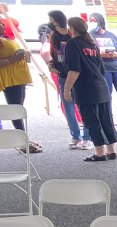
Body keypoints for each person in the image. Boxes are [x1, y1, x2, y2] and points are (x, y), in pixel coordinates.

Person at [64, 17, 117, 162]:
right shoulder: (92, 43)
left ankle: (100, 152)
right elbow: (101, 68)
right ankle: (111, 150)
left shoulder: (73, 44)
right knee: (106, 119)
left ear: (72, 28)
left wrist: (67, 89)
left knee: (92, 121)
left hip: (85, 88)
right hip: (101, 85)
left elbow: (74, 69)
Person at [46, 10, 91, 150]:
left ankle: (88, 137)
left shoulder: (73, 34)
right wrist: (51, 65)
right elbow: (53, 54)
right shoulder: (54, 36)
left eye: (52, 20)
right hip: (62, 74)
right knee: (68, 106)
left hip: (78, 75)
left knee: (83, 105)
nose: (50, 23)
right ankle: (75, 136)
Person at [0, 24, 41, 153]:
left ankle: (24, 138)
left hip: (19, 77)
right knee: (15, 109)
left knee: (19, 108)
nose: (2, 25)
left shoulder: (5, 37)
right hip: (10, 78)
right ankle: (22, 142)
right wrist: (11, 59)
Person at [89, 13, 117, 106]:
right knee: (107, 93)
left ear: (100, 21)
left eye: (94, 21)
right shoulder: (90, 35)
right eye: (90, 21)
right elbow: (88, 52)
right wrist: (101, 54)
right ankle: (108, 113)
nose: (92, 23)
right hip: (103, 68)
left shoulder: (111, 35)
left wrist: (115, 54)